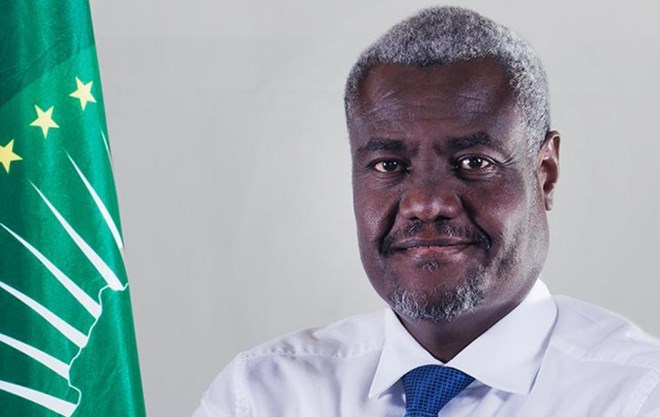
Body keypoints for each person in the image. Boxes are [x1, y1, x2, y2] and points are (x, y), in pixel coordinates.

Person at [193, 6, 660, 416]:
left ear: (546, 173)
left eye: (474, 162)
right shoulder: (262, 397)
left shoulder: (638, 396)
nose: (426, 203)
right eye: (389, 165)